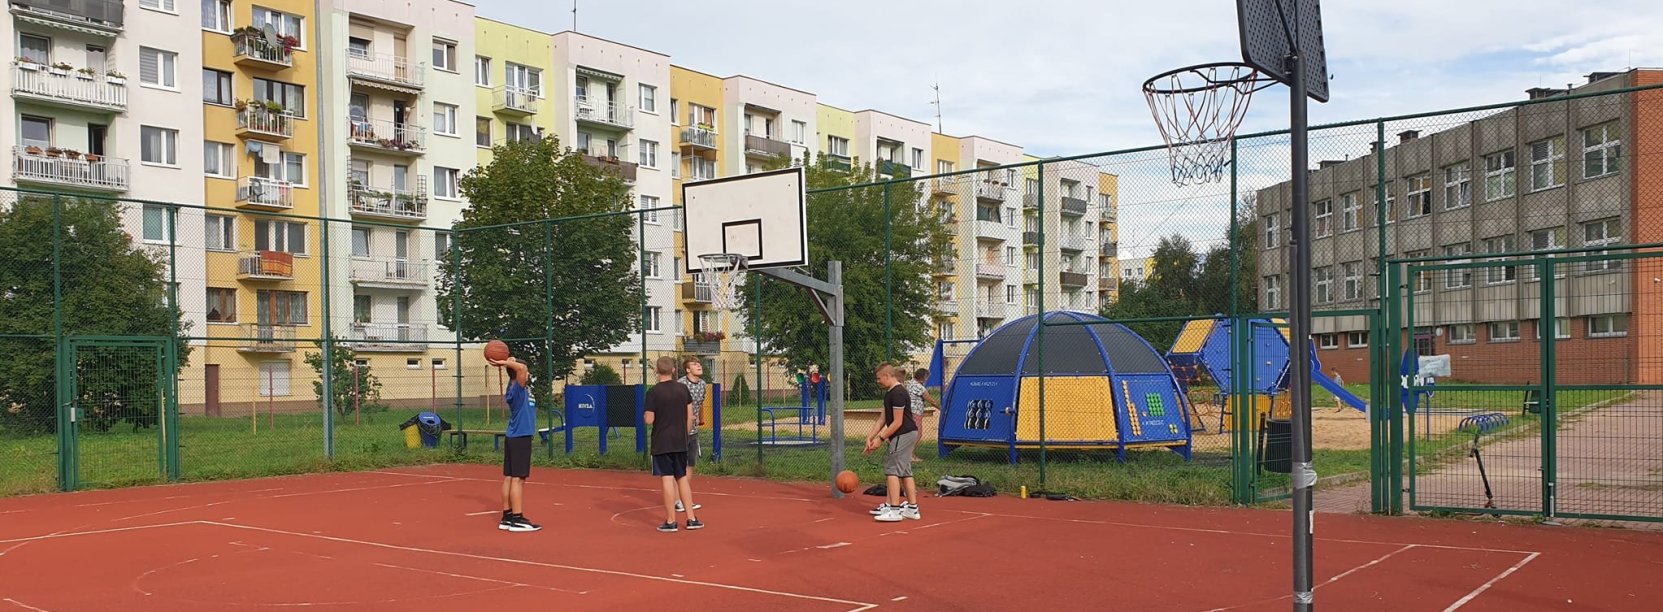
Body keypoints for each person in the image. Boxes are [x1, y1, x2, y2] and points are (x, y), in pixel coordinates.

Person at [644, 356, 702, 532]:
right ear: (674, 370)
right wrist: (683, 434)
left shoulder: (653, 393)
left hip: (662, 441)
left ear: (656, 371)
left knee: (667, 478)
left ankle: (671, 521)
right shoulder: (683, 389)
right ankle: (691, 519)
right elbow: (690, 415)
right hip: (680, 440)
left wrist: (647, 415)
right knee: (682, 477)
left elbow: (649, 419)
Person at [484, 353, 540, 532]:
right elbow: (521, 369)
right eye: (525, 371)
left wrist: (509, 363)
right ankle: (518, 518)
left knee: (509, 477)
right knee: (518, 478)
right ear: (519, 373)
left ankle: (506, 517)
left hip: (514, 436)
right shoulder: (518, 387)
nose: (527, 372)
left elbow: (518, 369)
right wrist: (505, 362)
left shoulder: (514, 385)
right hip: (520, 436)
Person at [864, 364, 920, 522]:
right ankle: (912, 509)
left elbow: (897, 422)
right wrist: (870, 437)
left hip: (904, 434)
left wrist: (880, 439)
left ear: (887, 376)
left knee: (892, 470)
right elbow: (883, 419)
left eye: (879, 378)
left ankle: (894, 510)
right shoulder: (890, 393)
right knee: (905, 471)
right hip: (905, 434)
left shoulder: (898, 393)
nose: (878, 381)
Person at [674, 357, 706, 513]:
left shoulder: (702, 384)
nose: (698, 365)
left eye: (699, 363)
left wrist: (702, 418)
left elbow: (700, 403)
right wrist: (684, 417)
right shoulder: (680, 384)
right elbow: (672, 406)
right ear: (687, 370)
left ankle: (683, 497)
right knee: (678, 466)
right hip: (679, 430)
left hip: (693, 431)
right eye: (694, 364)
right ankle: (677, 500)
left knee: (690, 465)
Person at [905, 368, 939, 462]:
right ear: (923, 377)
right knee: (918, 434)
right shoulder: (920, 387)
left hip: (908, 411)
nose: (927, 379)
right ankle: (910, 455)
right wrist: (941, 408)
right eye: (927, 377)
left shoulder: (910, 383)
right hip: (915, 413)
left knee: (911, 434)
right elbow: (931, 400)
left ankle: (907, 454)